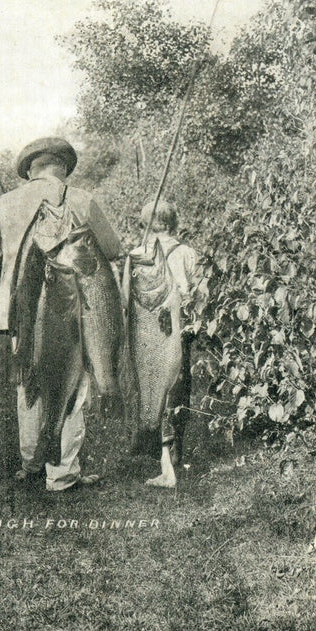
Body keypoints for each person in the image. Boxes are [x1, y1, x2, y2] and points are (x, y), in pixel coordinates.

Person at [0, 137, 122, 492]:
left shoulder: (5, 202)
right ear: (64, 167)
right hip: (69, 313)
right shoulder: (82, 199)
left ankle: (32, 462)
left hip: (20, 313)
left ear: (29, 170)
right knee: (71, 382)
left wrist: (12, 250)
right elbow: (114, 250)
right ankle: (62, 471)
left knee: (29, 382)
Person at [129, 198, 198, 487]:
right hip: (177, 332)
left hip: (149, 335)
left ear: (144, 224)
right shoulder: (187, 252)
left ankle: (167, 467)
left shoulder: (136, 253)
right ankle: (170, 463)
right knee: (176, 393)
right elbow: (196, 292)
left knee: (153, 390)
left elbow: (126, 299)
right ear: (174, 222)